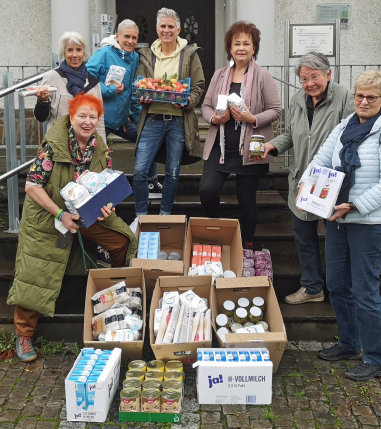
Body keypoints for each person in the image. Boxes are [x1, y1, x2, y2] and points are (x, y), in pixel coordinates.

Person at [7, 93, 137, 363]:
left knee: (121, 240)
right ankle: (24, 333)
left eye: (93, 117)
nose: (87, 122)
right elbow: (31, 186)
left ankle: (114, 294)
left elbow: (105, 183)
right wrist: (61, 214)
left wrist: (107, 205)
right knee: (37, 270)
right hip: (49, 215)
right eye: (82, 116)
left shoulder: (99, 147)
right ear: (71, 117)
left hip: (86, 214)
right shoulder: (53, 146)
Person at [299, 70, 381, 381]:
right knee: (336, 284)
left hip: (369, 221)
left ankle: (376, 358)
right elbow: (321, 158)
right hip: (338, 217)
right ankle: (349, 344)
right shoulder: (345, 126)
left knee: (365, 290)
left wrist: (357, 204)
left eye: (370, 97)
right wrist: (307, 183)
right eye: (359, 95)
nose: (363, 101)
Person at [260, 52, 353, 304]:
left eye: (315, 76)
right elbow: (291, 133)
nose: (309, 83)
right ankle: (312, 287)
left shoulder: (344, 97)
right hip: (303, 179)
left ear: (328, 74)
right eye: (304, 78)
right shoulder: (297, 99)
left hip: (333, 182)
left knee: (338, 239)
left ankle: (342, 292)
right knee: (303, 234)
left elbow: (352, 135)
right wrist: (273, 146)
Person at [200, 21, 281, 249]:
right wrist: (214, 119)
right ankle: (217, 231)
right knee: (207, 190)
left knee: (246, 199)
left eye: (247, 43)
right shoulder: (219, 75)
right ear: (230, 48)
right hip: (221, 146)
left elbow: (275, 110)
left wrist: (252, 118)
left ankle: (247, 243)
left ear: (254, 48)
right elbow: (206, 106)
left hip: (250, 147)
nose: (241, 48)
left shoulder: (263, 76)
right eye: (237, 44)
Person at [132, 7, 205, 219]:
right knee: (139, 171)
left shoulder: (190, 53)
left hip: (178, 121)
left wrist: (189, 101)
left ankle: (165, 214)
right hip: (152, 119)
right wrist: (142, 96)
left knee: (173, 172)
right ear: (156, 29)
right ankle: (141, 216)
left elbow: (198, 86)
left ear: (178, 29)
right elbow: (140, 84)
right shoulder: (146, 55)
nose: (166, 30)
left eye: (171, 26)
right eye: (163, 26)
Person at [86, 19, 162, 199]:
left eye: (134, 38)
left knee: (147, 136)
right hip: (99, 119)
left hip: (121, 120)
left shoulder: (134, 58)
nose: (130, 41)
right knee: (100, 155)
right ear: (117, 36)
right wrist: (109, 90)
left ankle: (151, 181)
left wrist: (137, 118)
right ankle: (104, 192)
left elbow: (132, 91)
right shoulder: (104, 53)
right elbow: (86, 80)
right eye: (126, 36)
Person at [34, 31, 106, 142]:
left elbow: (99, 121)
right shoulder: (51, 77)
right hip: (58, 145)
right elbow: (41, 117)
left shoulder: (93, 83)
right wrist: (42, 102)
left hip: (86, 147)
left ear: (84, 52)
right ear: (64, 53)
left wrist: (103, 149)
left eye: (78, 50)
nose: (75, 55)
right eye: (70, 50)